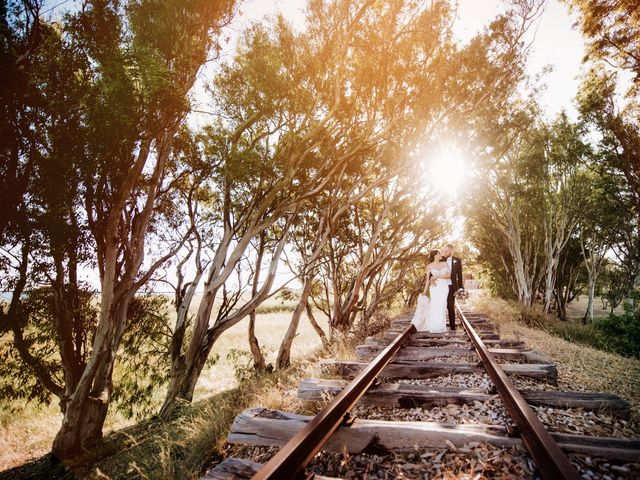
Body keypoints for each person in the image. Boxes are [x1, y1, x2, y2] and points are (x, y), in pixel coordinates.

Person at [411, 249, 449, 333]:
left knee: (442, 305)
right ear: (435, 255)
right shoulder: (429, 266)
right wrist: (425, 291)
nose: (441, 255)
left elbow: (448, 275)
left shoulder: (444, 264)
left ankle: (441, 327)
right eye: (439, 253)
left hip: (444, 287)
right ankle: (434, 326)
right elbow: (427, 280)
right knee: (435, 305)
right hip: (434, 288)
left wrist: (437, 276)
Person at [441, 243, 464, 330]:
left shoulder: (457, 260)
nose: (444, 252)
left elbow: (460, 275)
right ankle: (441, 325)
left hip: (451, 286)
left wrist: (460, 288)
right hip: (442, 286)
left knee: (451, 306)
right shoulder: (441, 259)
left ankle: (452, 327)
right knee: (442, 305)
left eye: (446, 251)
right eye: (443, 251)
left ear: (451, 250)